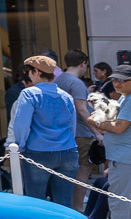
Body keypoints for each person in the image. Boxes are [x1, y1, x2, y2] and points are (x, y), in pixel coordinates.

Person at [8, 54, 79, 206]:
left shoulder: (28, 93)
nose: (27, 74)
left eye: (28, 71)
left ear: (37, 72)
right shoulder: (66, 96)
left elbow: (21, 124)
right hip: (68, 150)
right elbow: (72, 126)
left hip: (38, 152)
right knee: (64, 203)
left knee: (36, 203)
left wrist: (19, 146)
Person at [91, 65, 131, 219]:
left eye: (123, 80)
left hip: (125, 159)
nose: (117, 83)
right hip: (121, 158)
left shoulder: (129, 99)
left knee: (120, 203)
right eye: (115, 79)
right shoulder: (124, 98)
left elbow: (119, 127)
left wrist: (97, 123)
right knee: (120, 202)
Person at [59, 49, 102, 210]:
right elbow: (82, 109)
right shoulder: (76, 83)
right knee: (82, 172)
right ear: (83, 63)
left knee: (68, 174)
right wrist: (97, 132)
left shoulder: (59, 79)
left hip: (65, 133)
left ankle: (69, 208)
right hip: (82, 133)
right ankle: (78, 209)